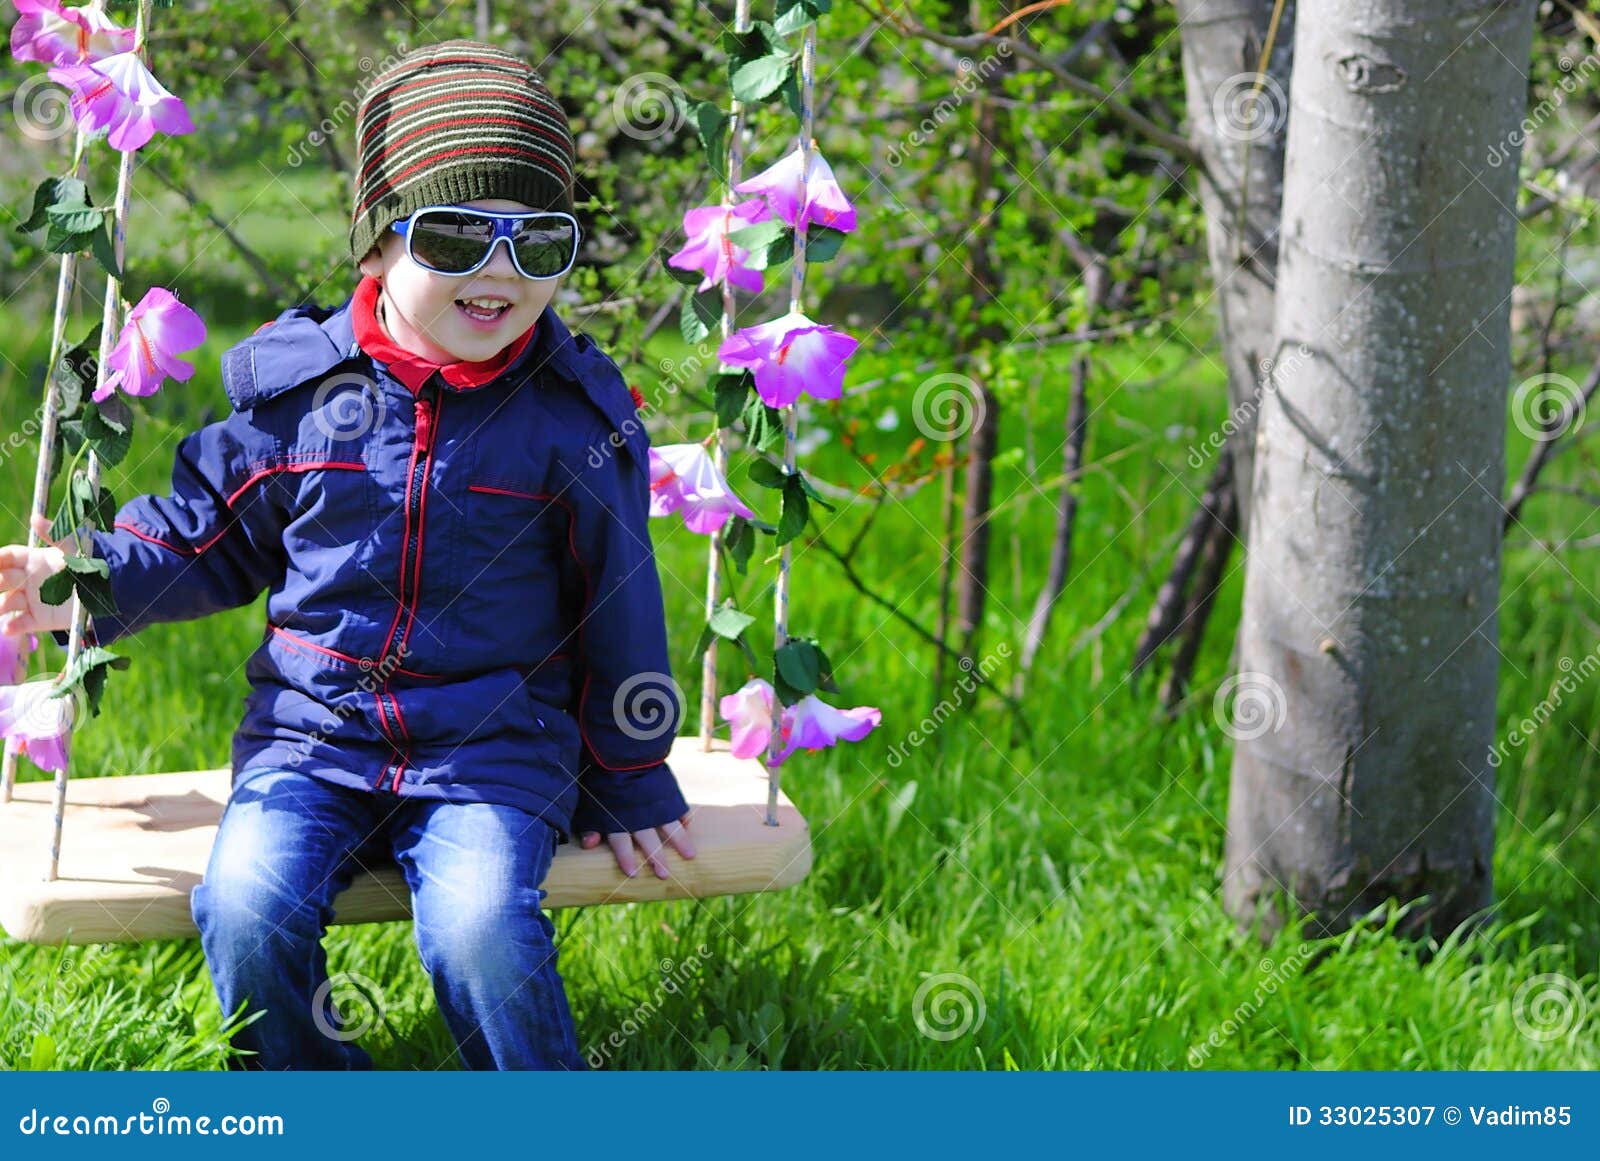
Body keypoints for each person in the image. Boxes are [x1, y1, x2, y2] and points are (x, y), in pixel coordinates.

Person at [0, 39, 696, 1070]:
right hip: (313, 741)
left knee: (479, 930)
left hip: (490, 751)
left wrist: (631, 772)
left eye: (538, 242)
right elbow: (204, 536)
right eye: (457, 235)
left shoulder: (569, 419)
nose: (499, 270)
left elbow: (620, 602)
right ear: (376, 245)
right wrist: (83, 581)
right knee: (243, 911)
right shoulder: (300, 401)